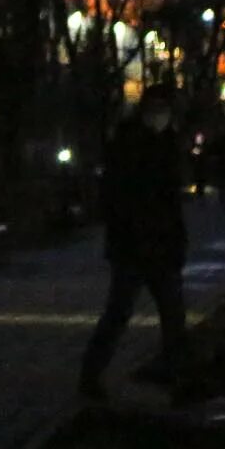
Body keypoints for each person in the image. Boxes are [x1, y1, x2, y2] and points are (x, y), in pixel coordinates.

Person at [79, 84, 192, 404]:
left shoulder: (165, 142)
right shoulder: (131, 143)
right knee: (122, 313)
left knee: (171, 315)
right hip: (135, 244)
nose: (161, 116)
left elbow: (171, 200)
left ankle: (175, 374)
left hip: (157, 244)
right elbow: (118, 196)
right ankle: (91, 376)